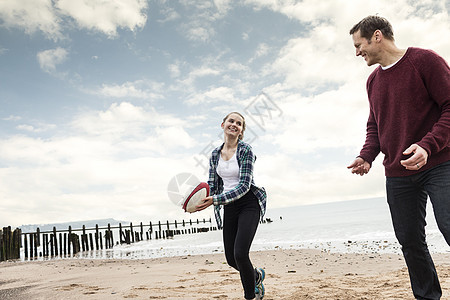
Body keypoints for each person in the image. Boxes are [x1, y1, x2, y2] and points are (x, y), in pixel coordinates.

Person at [347, 15, 450, 300]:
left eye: (359, 45)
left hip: (440, 163)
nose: (357, 52)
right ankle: (428, 296)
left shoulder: (425, 61)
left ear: (376, 36)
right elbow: (375, 125)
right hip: (398, 173)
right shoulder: (372, 81)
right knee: (410, 242)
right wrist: (366, 155)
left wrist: (427, 146)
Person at [196, 112, 267, 300]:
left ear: (241, 130)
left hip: (249, 203)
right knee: (231, 258)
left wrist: (216, 199)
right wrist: (196, 201)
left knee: (240, 254)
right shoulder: (214, 155)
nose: (234, 124)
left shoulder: (246, 150)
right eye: (231, 121)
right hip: (229, 206)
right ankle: (256, 276)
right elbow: (212, 185)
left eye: (239, 123)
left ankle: (251, 296)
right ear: (223, 125)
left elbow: (244, 185)